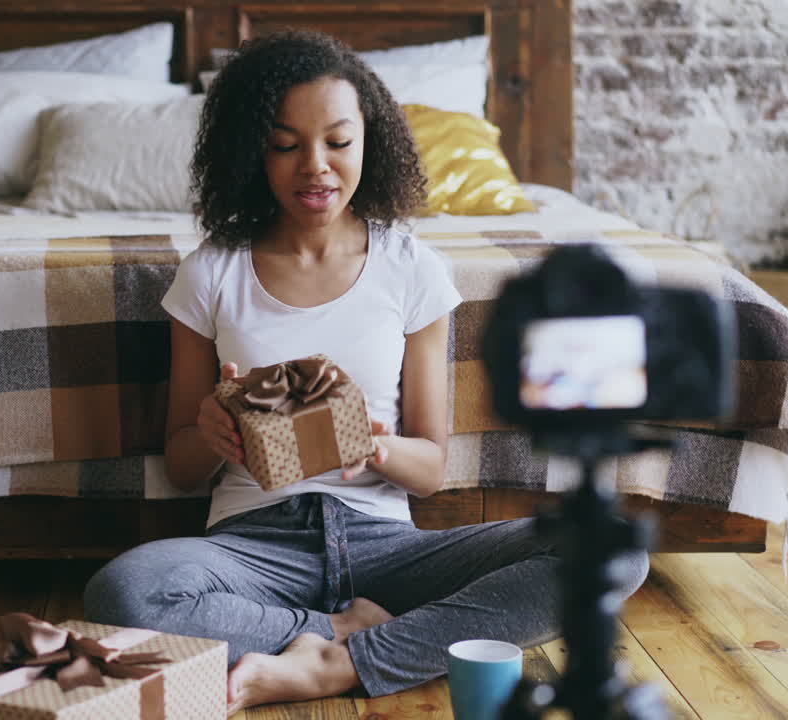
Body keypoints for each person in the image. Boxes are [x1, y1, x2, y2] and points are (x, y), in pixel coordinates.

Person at [83, 29, 650, 712]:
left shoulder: (411, 268)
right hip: (254, 548)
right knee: (121, 593)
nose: (315, 167)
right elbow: (179, 467)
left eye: (338, 142)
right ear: (250, 150)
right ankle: (344, 638)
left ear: (369, 142)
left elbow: (432, 467)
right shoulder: (213, 270)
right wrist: (214, 432)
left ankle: (338, 665)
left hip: (385, 545)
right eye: (285, 145)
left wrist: (378, 446)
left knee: (608, 552)